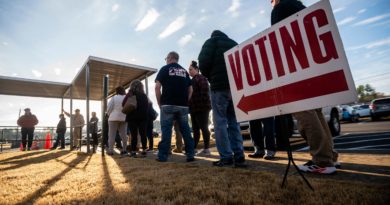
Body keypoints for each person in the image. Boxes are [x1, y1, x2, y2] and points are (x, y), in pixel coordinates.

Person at [271, 0, 339, 174]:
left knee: (304, 114)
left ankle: (323, 160)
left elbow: (278, 41)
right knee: (316, 112)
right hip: (311, 64)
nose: (270, 3)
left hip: (297, 68)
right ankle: (329, 156)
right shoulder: (298, 5)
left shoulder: (280, 8)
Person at [198, 30, 245, 167]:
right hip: (235, 87)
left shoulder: (211, 42)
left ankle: (226, 156)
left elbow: (203, 63)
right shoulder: (234, 43)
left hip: (219, 87)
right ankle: (239, 155)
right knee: (234, 122)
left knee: (220, 123)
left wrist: (211, 77)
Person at [155, 51, 195, 162]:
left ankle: (163, 156)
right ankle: (190, 154)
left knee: (166, 130)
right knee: (185, 130)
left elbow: (157, 87)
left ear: (170, 58)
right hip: (183, 106)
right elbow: (190, 89)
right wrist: (186, 101)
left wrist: (159, 103)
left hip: (167, 104)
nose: (166, 60)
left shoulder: (164, 69)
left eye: (166, 58)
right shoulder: (184, 71)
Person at [188, 60, 211, 156]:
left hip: (202, 108)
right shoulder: (192, 80)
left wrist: (203, 105)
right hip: (193, 109)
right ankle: (193, 149)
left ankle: (206, 148)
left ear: (197, 69)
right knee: (195, 129)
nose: (189, 71)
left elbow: (205, 92)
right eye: (188, 70)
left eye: (191, 69)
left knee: (204, 128)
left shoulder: (201, 78)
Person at [123, 80, 149, 157]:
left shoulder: (130, 94)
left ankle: (133, 151)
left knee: (133, 135)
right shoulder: (144, 95)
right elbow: (147, 106)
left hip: (132, 117)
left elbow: (123, 103)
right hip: (143, 117)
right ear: (141, 87)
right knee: (143, 134)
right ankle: (144, 150)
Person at [107, 86, 128, 156]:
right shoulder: (126, 97)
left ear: (117, 91)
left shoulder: (114, 98)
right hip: (124, 118)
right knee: (123, 134)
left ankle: (110, 150)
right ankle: (124, 149)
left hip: (113, 118)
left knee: (111, 134)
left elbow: (109, 108)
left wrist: (109, 114)